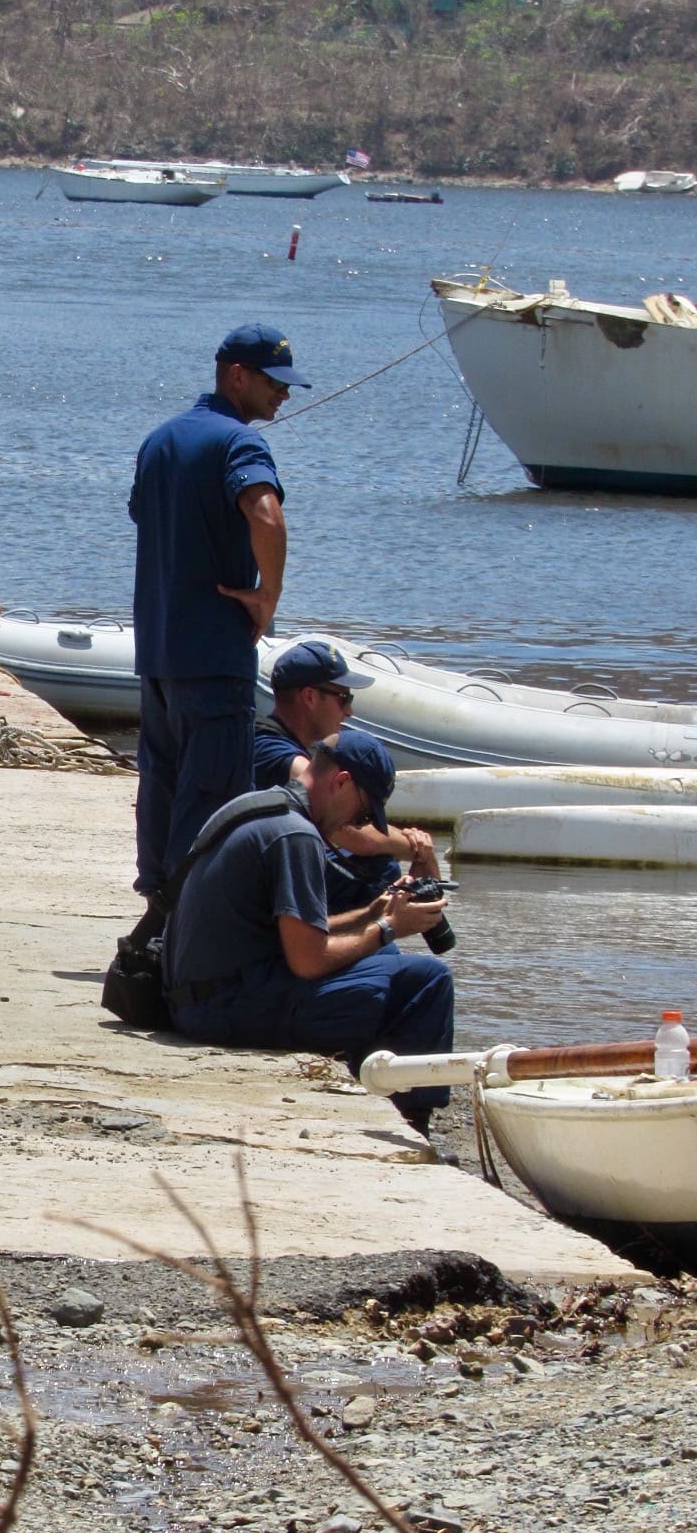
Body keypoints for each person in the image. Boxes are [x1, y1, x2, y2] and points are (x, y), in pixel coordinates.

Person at [165, 730, 455, 1134]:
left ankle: (376, 1085)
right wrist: (389, 928)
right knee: (427, 982)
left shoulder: (259, 806)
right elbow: (308, 961)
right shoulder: (295, 835)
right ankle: (413, 1124)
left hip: (198, 996)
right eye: (363, 813)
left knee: (382, 958)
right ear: (341, 783)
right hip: (223, 1010)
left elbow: (292, 936)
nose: (361, 825)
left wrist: (372, 913)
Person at [127, 322, 306, 942]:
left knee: (162, 784)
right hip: (214, 652)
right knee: (216, 795)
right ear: (236, 376)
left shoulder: (159, 441)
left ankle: (158, 908)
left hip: (156, 650)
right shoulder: (238, 445)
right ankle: (187, 924)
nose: (284, 396)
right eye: (274, 383)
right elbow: (266, 515)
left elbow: (141, 514)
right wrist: (268, 596)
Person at [254, 638, 441, 911]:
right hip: (263, 876)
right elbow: (351, 832)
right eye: (343, 698)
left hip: (276, 863)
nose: (349, 711)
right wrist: (415, 845)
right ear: (309, 697)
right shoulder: (267, 746)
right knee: (377, 867)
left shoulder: (287, 743)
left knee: (378, 864)